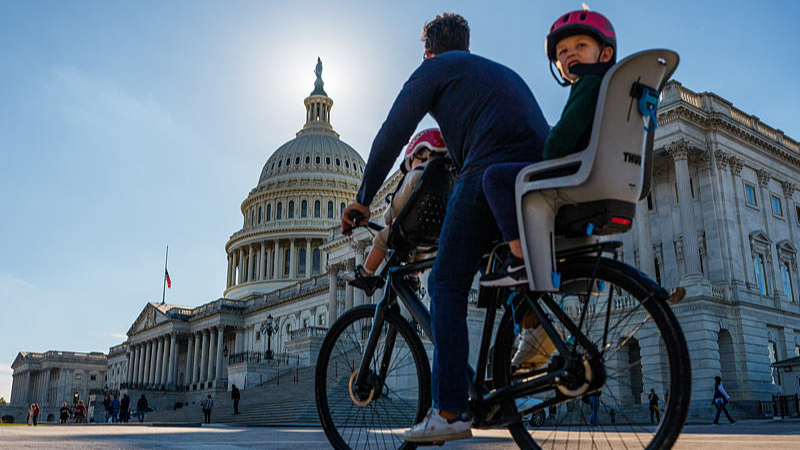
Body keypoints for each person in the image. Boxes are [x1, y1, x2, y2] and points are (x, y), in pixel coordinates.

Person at [341, 13, 549, 443]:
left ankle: (450, 408)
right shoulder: (489, 72)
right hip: (535, 167)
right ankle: (534, 326)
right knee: (500, 264)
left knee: (447, 283)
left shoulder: (434, 69)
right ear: (466, 45)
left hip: (491, 162)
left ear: (428, 51)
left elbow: (392, 133)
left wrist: (364, 198)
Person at [480, 8, 617, 368]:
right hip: (597, 181)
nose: (569, 55)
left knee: (495, 178)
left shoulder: (589, 84)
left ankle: (520, 262)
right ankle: (530, 311)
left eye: (580, 45)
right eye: (562, 52)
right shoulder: (610, 86)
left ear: (604, 54)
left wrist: (548, 143)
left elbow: (556, 147)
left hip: (572, 183)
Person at [341, 129, 449, 291]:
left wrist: (388, 217)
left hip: (412, 229)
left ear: (422, 153)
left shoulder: (415, 175)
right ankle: (413, 277)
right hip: (440, 233)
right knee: (421, 249)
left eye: (412, 160)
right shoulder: (448, 181)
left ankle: (365, 273)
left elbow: (397, 205)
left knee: (380, 239)